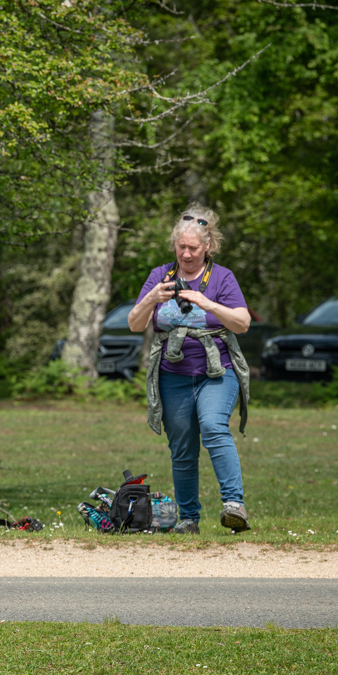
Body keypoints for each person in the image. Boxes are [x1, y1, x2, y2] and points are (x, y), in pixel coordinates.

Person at [127, 203, 252, 534]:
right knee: (181, 447)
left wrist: (207, 303)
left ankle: (234, 505)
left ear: (207, 246)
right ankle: (188, 519)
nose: (186, 254)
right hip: (173, 376)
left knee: (213, 426)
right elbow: (134, 324)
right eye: (180, 247)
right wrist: (151, 298)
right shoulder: (160, 276)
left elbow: (243, 323)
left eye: (193, 248)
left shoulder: (222, 278)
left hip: (217, 372)